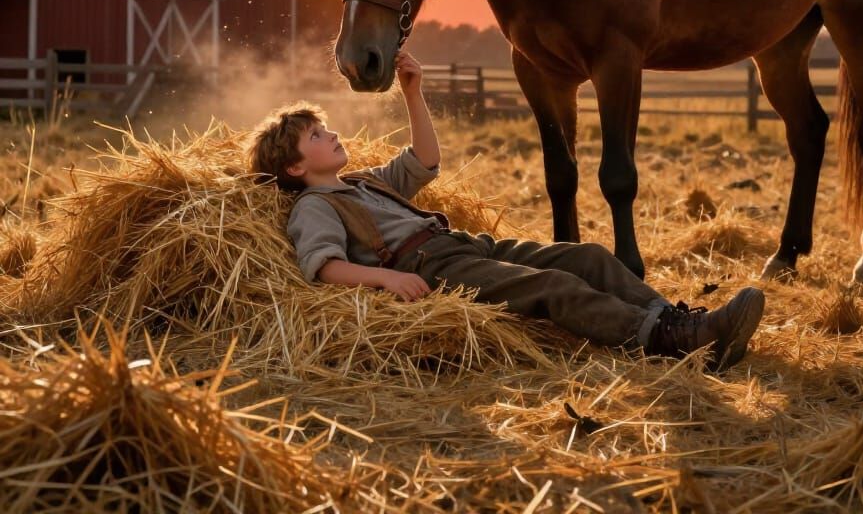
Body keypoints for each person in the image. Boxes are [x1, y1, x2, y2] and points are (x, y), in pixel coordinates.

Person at [248, 51, 766, 371]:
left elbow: (425, 161)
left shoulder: (362, 183)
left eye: (325, 128)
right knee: (552, 289)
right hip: (428, 265)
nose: (332, 134)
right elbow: (322, 266)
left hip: (464, 248)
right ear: (295, 167)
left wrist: (414, 94)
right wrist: (384, 281)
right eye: (317, 136)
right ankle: (666, 341)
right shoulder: (314, 204)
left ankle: (675, 320)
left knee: (586, 256)